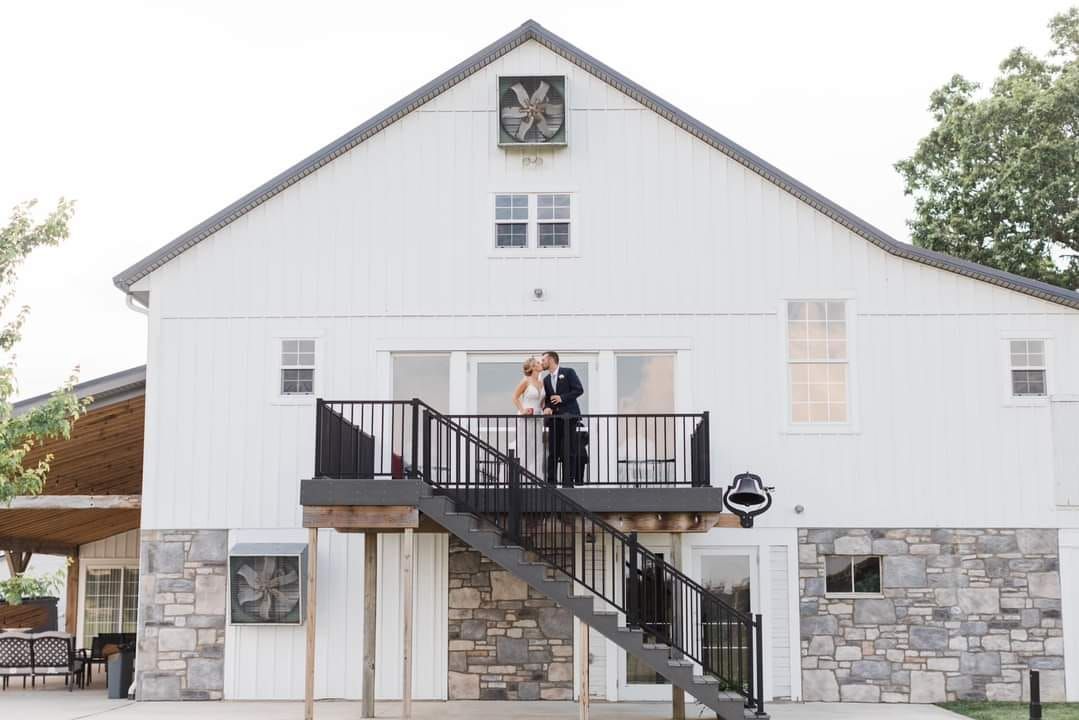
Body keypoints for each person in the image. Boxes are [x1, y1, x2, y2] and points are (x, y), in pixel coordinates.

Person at [540, 350, 585, 487]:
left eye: (543, 360)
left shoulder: (569, 372)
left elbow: (579, 390)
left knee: (569, 450)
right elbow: (547, 399)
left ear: (551, 360)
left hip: (569, 417)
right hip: (554, 418)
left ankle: (568, 481)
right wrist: (546, 407)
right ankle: (551, 481)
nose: (542, 363)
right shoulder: (546, 380)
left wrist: (562, 398)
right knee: (553, 450)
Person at [511, 356, 544, 476]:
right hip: (526, 417)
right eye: (538, 362)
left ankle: (535, 475)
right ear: (533, 367)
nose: (541, 364)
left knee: (537, 446)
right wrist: (522, 410)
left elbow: (541, 402)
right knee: (525, 445)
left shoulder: (541, 382)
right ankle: (521, 475)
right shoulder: (526, 380)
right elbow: (514, 397)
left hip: (538, 418)